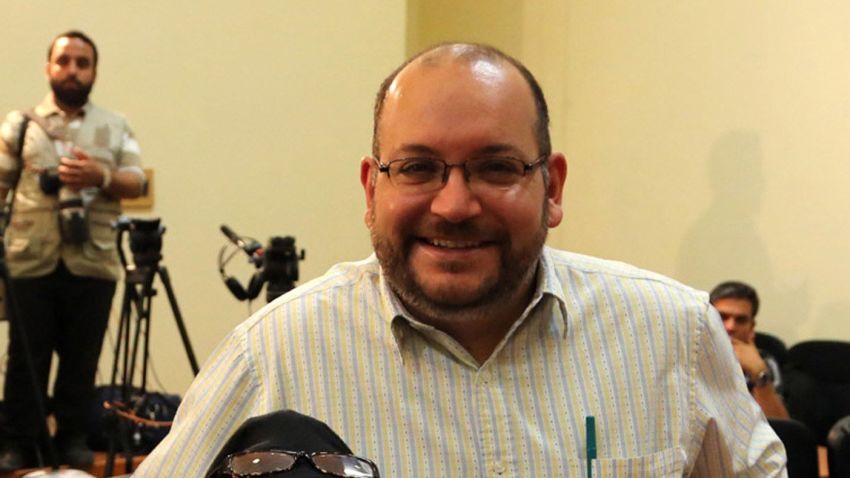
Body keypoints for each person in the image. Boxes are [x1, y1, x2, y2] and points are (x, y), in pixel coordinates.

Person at [136, 43, 786, 476]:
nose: (453, 204)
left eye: (496, 167)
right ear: (371, 190)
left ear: (552, 187)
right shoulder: (271, 357)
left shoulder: (674, 335)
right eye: (417, 167)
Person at [0, 30, 146, 471]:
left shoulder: (116, 124)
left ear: (94, 71)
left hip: (94, 260)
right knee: (26, 357)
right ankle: (19, 443)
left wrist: (99, 175)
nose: (72, 70)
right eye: (64, 61)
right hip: (30, 258)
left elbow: (136, 181)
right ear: (49, 68)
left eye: (82, 62)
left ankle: (72, 440)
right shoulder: (19, 123)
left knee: (82, 358)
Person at [710, 281, 790, 419]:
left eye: (740, 320)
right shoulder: (688, 354)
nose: (730, 326)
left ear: (751, 327)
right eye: (722, 317)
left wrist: (759, 372)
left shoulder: (764, 361)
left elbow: (781, 429)